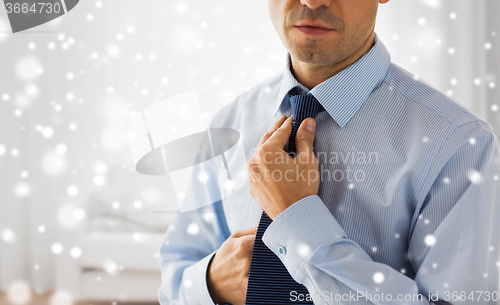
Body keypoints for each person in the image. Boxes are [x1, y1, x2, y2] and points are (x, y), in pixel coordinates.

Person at [158, 0, 500, 304]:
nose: (312, 0)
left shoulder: (459, 144)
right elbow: (175, 280)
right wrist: (211, 284)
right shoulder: (229, 122)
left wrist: (296, 218)